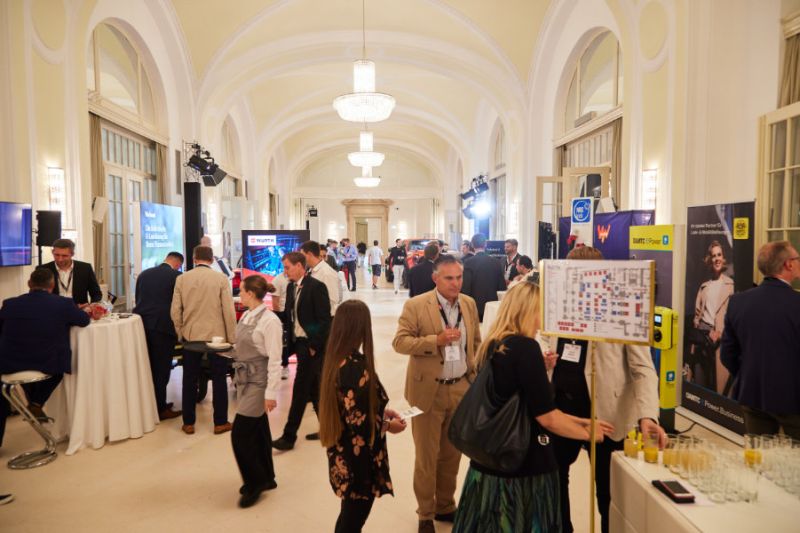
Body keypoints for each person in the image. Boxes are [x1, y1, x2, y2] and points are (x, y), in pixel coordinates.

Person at [452, 281, 614, 532]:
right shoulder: (526, 348)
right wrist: (587, 434)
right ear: (529, 310)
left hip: (490, 463)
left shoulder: (494, 344)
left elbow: (521, 396)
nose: (545, 318)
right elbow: (547, 417)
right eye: (542, 309)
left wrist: (582, 421)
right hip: (521, 468)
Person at [551, 246, 664, 533]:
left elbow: (643, 369)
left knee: (608, 493)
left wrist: (648, 415)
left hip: (608, 416)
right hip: (562, 411)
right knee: (554, 480)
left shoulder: (624, 309)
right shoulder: (556, 306)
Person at [392, 255, 482, 533]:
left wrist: (473, 379)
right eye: (449, 278)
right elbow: (400, 342)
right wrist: (436, 341)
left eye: (459, 277)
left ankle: (445, 505)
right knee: (427, 457)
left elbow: (475, 342)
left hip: (460, 388)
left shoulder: (468, 303)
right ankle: (425, 513)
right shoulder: (417, 305)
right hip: (427, 391)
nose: (456, 283)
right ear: (435, 278)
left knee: (452, 455)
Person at [319, 300, 407, 533]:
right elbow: (359, 422)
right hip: (358, 459)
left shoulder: (336, 360)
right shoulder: (356, 367)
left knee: (349, 513)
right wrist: (388, 425)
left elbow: (350, 407)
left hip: (342, 451)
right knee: (353, 518)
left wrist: (380, 411)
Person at [0, 269, 91, 445]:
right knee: (58, 369)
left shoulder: (10, 304)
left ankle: (32, 405)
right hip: (46, 362)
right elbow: (84, 320)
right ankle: (36, 403)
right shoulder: (63, 304)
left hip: (8, 363)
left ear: (29, 284)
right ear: (52, 285)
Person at [721, 241, 800, 439]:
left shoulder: (738, 302)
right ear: (789, 264)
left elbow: (727, 354)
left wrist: (750, 374)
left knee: (759, 455)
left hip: (752, 394)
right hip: (794, 398)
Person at [170, 245, 237, 435]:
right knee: (219, 379)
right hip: (217, 338)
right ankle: (220, 422)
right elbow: (228, 310)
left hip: (191, 337)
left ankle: (188, 423)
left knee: (189, 379)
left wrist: (181, 332)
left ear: (194, 259)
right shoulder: (221, 279)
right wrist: (232, 338)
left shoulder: (182, 279)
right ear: (212, 260)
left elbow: (175, 310)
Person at [231, 275, 284, 508]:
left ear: (251, 294)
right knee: (260, 431)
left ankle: (254, 483)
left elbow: (275, 360)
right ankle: (267, 477)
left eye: (242, 291)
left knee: (240, 434)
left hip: (258, 382)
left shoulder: (270, 321)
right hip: (245, 378)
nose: (240, 295)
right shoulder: (247, 315)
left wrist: (271, 394)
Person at [272, 252, 332, 450]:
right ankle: (331, 430)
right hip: (298, 344)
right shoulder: (291, 287)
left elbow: (324, 320)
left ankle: (289, 437)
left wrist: (314, 346)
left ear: (299, 266)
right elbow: (291, 316)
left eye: (287, 267)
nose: (285, 271)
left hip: (311, 346)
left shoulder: (317, 287)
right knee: (314, 390)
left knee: (299, 391)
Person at [133, 251, 184, 420]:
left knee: (148, 366)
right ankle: (160, 408)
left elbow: (138, 299)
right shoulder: (177, 277)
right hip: (163, 327)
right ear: (178, 264)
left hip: (142, 325)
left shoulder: (144, 274)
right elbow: (178, 304)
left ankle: (149, 404)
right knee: (161, 369)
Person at [688, 240, 734, 394]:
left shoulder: (731, 286)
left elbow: (734, 318)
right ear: (709, 260)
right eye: (713, 256)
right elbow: (697, 315)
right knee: (702, 382)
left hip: (720, 339)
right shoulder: (704, 286)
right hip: (703, 338)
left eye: (719, 255)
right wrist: (700, 329)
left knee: (718, 385)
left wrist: (721, 333)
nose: (717, 259)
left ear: (724, 258)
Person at [42, 238, 102, 306]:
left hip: (79, 310)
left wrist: (91, 306)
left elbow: (96, 293)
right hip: (53, 310)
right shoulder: (43, 269)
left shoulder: (85, 268)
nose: (60, 259)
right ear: (52, 252)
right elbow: (37, 294)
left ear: (72, 254)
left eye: (64, 256)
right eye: (57, 255)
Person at [461, 234, 506, 321]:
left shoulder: (468, 262)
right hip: (492, 306)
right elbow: (502, 287)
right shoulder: (496, 262)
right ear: (485, 244)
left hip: (474, 306)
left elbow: (466, 287)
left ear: (472, 245)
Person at [301, 240, 340, 314]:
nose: (301, 259)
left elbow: (332, 300)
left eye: (303, 256)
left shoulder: (326, 273)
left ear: (309, 254)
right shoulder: (311, 270)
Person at [271, 270, 291, 380]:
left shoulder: (295, 279)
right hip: (282, 314)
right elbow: (275, 302)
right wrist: (280, 319)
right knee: (283, 342)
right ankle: (284, 366)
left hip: (294, 313)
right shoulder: (278, 280)